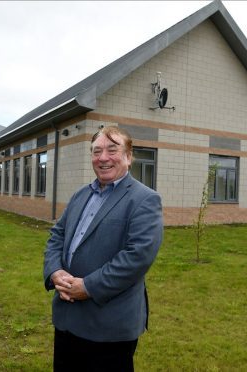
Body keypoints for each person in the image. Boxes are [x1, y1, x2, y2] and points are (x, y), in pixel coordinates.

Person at [43, 126, 163, 371]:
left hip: (109, 325)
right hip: (67, 318)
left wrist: (86, 287)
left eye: (112, 150)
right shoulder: (80, 195)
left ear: (128, 157)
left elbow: (136, 257)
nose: (103, 157)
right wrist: (55, 272)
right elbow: (57, 235)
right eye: (96, 151)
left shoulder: (144, 199)